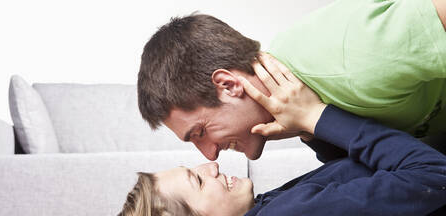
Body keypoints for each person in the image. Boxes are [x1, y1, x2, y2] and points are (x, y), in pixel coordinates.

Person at [0, 70, 446, 216]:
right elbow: (433, 175)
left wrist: (304, 125)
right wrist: (319, 117)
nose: (211, 166)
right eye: (198, 182)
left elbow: (349, 185)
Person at [137, 0, 446, 162]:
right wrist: (313, 129)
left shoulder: (352, 58)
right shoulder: (302, 102)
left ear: (229, 85)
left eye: (200, 132)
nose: (209, 154)